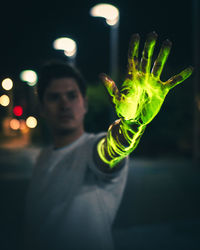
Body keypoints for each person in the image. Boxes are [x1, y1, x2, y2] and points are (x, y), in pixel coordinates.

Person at [24, 32, 192, 250]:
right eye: (54, 97)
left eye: (72, 95)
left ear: (85, 103)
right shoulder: (43, 158)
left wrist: (132, 125)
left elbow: (110, 150)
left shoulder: (92, 148)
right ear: (42, 109)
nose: (64, 104)